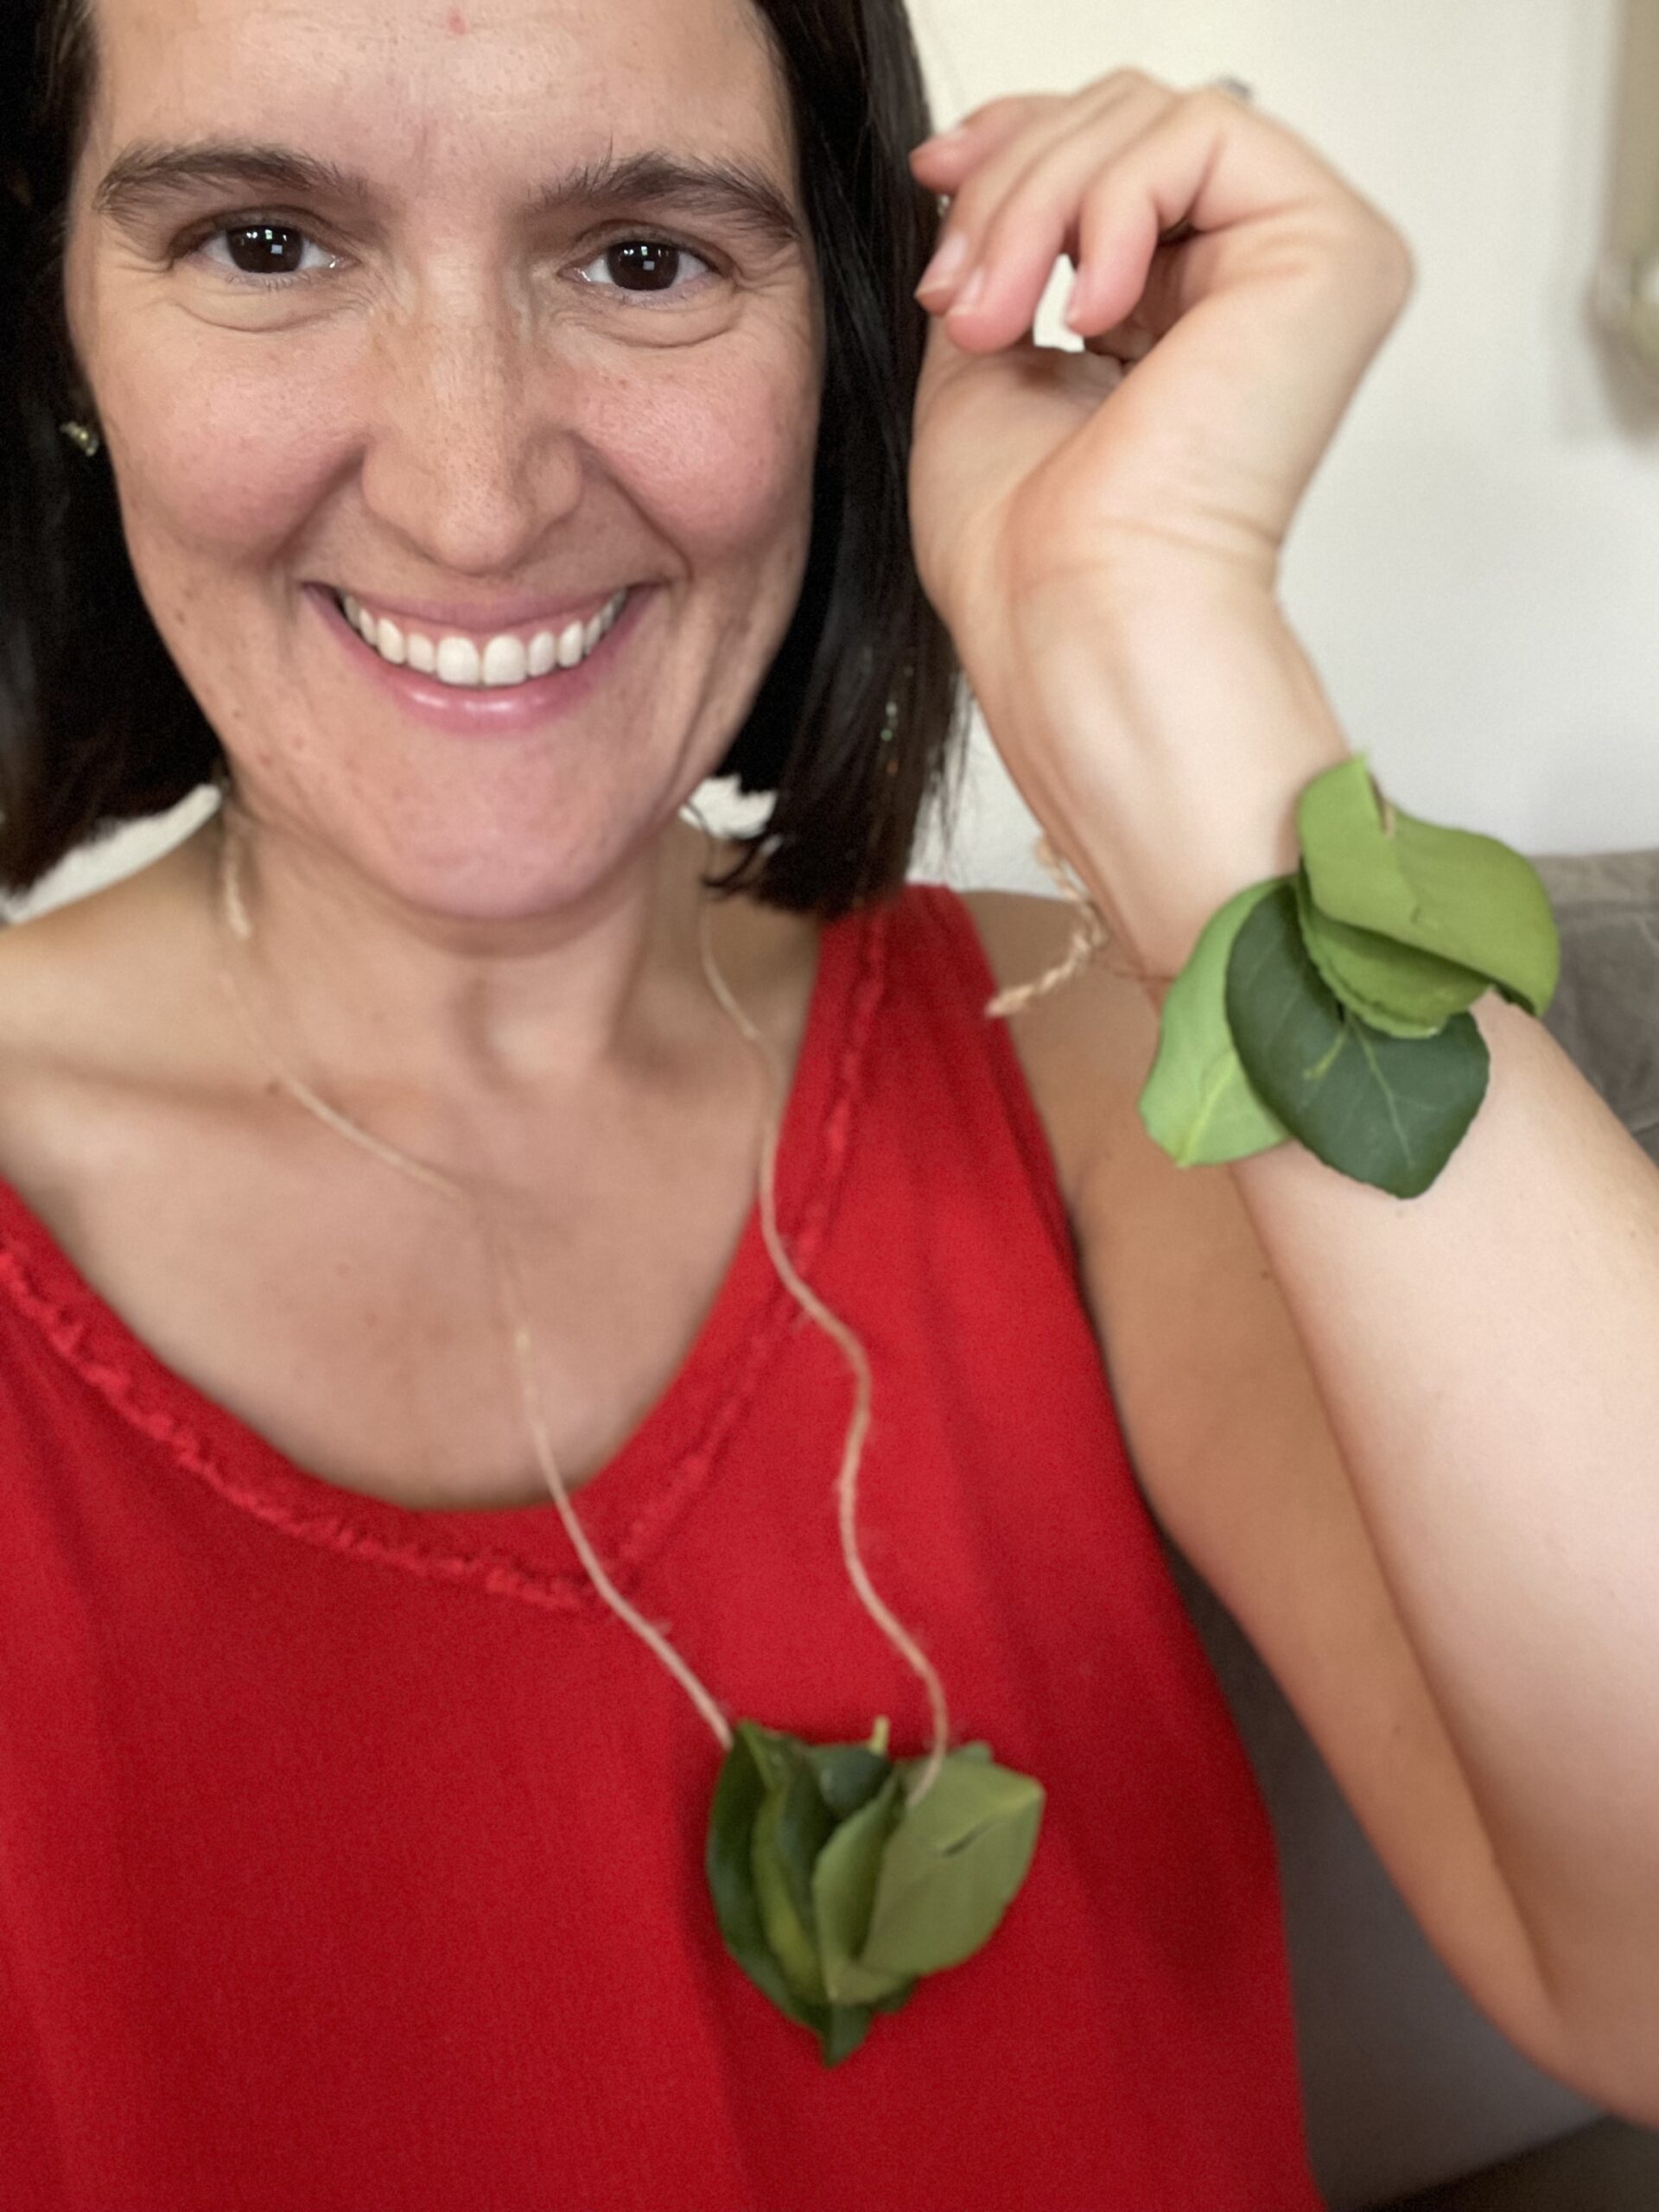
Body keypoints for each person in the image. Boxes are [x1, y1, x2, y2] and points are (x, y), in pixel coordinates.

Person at [3, 0, 1657, 2203]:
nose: (471, 490)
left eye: (646, 260)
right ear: (65, 343)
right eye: (265, 242)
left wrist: (1158, 647)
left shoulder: (1083, 1085)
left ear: (852, 350)